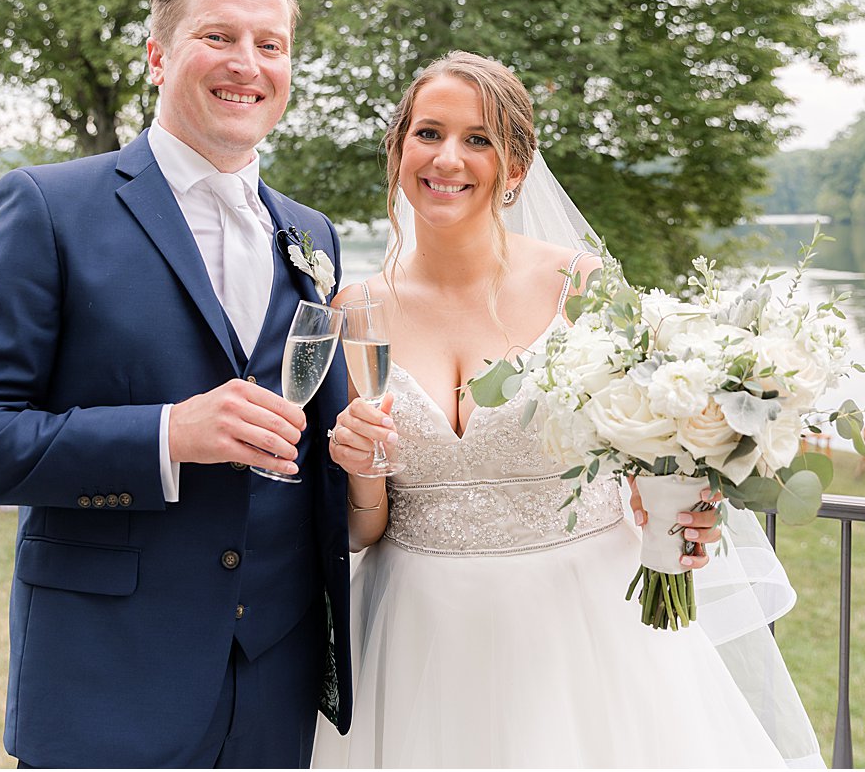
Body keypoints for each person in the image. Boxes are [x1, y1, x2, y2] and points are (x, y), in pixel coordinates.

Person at [0, 0, 357, 768]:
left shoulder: (311, 234)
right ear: (158, 55)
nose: (247, 63)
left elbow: (330, 449)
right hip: (105, 687)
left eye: (271, 44)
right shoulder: (49, 207)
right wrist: (168, 435)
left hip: (274, 686)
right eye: (217, 36)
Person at [312, 52, 819, 768]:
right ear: (398, 151)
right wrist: (360, 468)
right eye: (428, 133)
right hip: (419, 634)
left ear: (515, 170)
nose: (447, 158)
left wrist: (685, 503)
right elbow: (367, 529)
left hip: (584, 629)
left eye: (478, 139)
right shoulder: (354, 310)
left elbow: (658, 442)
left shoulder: (579, 287)